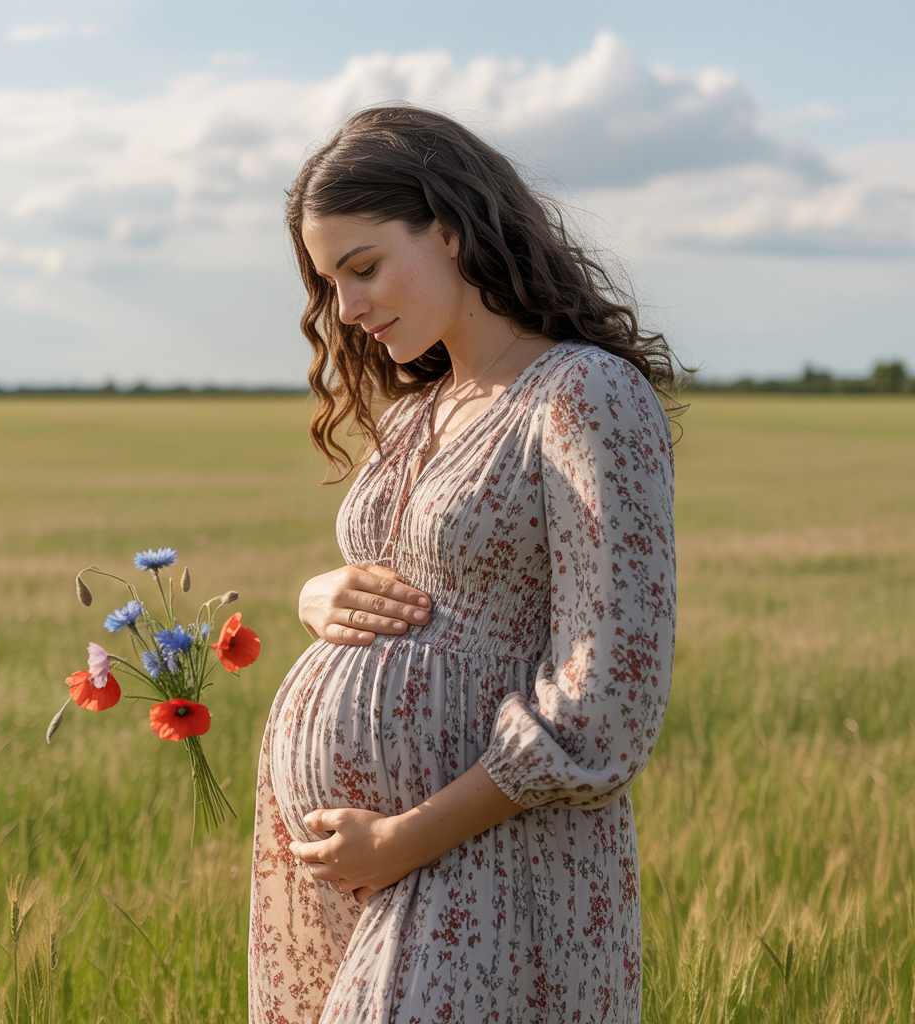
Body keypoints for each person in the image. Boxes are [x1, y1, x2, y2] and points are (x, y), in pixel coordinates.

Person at [249, 105, 678, 1024]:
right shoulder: (418, 413)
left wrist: (403, 840)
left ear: (450, 225)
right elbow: (405, 588)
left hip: (487, 867)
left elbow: (610, 697)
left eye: (362, 268)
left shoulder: (585, 394)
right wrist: (315, 595)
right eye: (329, 285)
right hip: (357, 874)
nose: (346, 310)